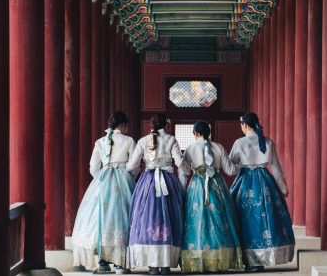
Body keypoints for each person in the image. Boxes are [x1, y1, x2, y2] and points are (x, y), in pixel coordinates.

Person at [72, 111, 137, 274]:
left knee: (101, 219)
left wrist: (101, 178)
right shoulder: (129, 140)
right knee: (124, 219)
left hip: (103, 180)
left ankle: (102, 261)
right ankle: (121, 264)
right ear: (122, 126)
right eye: (126, 125)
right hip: (123, 179)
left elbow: (93, 167)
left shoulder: (100, 142)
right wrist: (129, 178)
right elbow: (134, 166)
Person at [229, 112, 295, 271]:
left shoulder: (240, 142)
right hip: (265, 182)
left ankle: (249, 260)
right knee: (265, 218)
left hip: (245, 181)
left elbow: (231, 165)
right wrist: (283, 188)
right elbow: (276, 167)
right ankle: (263, 257)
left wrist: (241, 166)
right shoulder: (268, 142)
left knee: (244, 219)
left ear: (244, 125)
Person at [178, 121, 244, 273]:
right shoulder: (218, 147)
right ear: (209, 133)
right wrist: (243, 164)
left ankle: (197, 257)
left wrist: (182, 191)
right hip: (217, 185)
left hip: (196, 187)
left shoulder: (190, 148)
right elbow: (230, 170)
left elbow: (184, 172)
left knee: (196, 219)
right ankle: (222, 257)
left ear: (195, 133)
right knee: (220, 218)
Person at [126, 114, 184, 275]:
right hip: (168, 182)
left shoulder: (143, 141)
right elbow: (180, 163)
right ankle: (166, 264)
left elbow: (131, 165)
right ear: (166, 125)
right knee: (170, 218)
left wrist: (137, 172)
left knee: (146, 218)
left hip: (147, 182)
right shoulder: (171, 139)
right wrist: (184, 172)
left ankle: (152, 265)